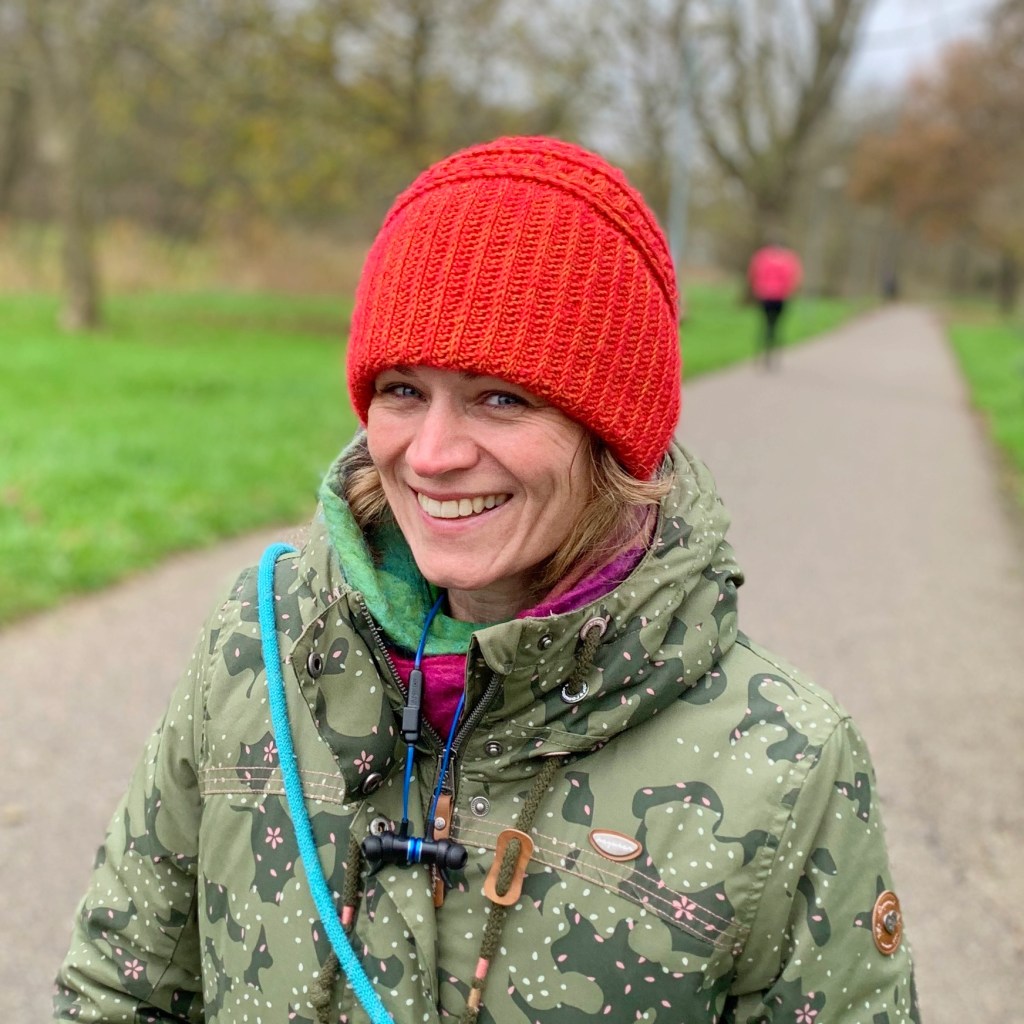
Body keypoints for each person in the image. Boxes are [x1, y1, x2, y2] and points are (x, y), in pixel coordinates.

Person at [55, 137, 919, 1024]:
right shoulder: (259, 641)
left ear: (610, 436)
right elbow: (120, 991)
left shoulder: (786, 762)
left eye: (500, 397)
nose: (430, 455)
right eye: (401, 390)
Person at [747, 242, 803, 368]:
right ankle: (773, 355)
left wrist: (756, 289)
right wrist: (791, 293)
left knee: (765, 324)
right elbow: (795, 277)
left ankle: (761, 354)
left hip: (764, 295)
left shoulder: (762, 256)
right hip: (781, 297)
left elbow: (752, 273)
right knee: (776, 326)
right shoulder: (789, 258)